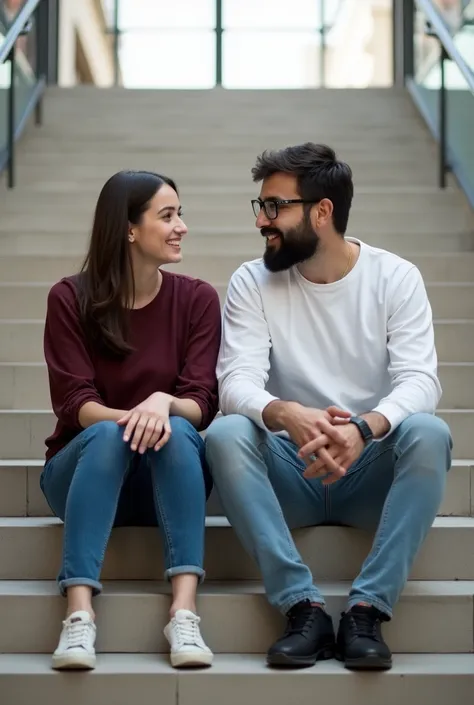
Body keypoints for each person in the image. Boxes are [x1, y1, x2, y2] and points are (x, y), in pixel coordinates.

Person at [205, 143, 452, 671]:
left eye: (276, 208)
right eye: (260, 206)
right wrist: (287, 414)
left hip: (369, 476)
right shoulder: (253, 281)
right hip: (289, 474)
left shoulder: (395, 277)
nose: (262, 222)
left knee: (429, 433)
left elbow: (420, 380)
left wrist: (365, 428)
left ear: (323, 211)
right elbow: (235, 381)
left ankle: (366, 608)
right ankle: (302, 607)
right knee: (225, 435)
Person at [41, 170, 221, 671]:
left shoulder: (197, 300)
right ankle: (79, 617)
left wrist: (162, 401)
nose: (181, 226)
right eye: (167, 216)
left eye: (180, 214)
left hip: (165, 476)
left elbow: (203, 400)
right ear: (128, 229)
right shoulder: (68, 299)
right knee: (104, 433)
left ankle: (183, 613)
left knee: (181, 427)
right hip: (82, 475)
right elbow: (74, 402)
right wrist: (134, 417)